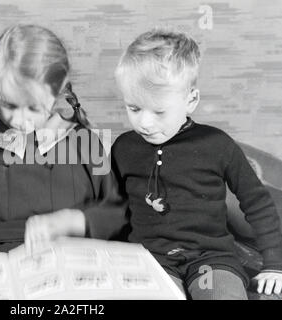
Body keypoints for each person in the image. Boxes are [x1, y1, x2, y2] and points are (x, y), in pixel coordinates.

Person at [111, 28, 282, 299]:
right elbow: (111, 208)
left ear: (191, 100)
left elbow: (257, 203)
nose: (144, 123)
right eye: (134, 108)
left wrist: (275, 264)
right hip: (150, 259)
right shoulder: (123, 148)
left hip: (211, 259)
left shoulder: (217, 145)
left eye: (158, 111)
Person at [0, 24, 127, 255]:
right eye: (8, 104)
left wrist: (68, 222)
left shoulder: (83, 142)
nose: (20, 120)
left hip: (70, 261)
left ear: (58, 91)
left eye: (33, 107)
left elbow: (116, 213)